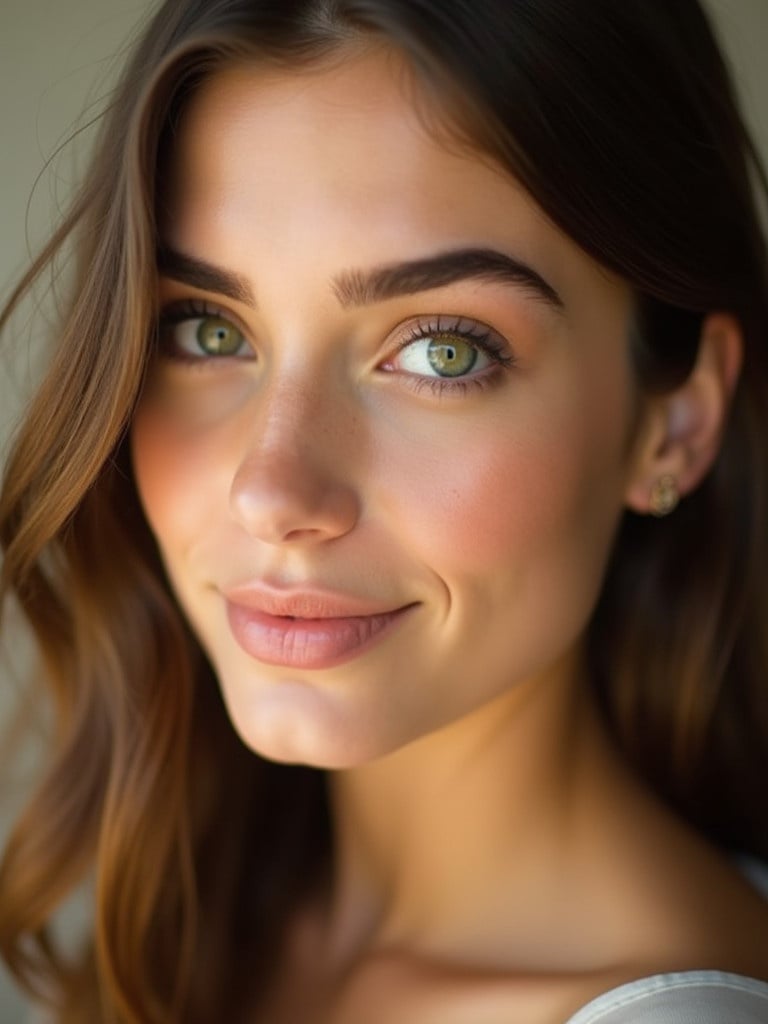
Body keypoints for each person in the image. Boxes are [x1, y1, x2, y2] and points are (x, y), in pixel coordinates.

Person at [1, 0, 768, 1021]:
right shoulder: (199, 917)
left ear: (674, 422)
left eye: (442, 350)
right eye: (207, 329)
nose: (272, 490)